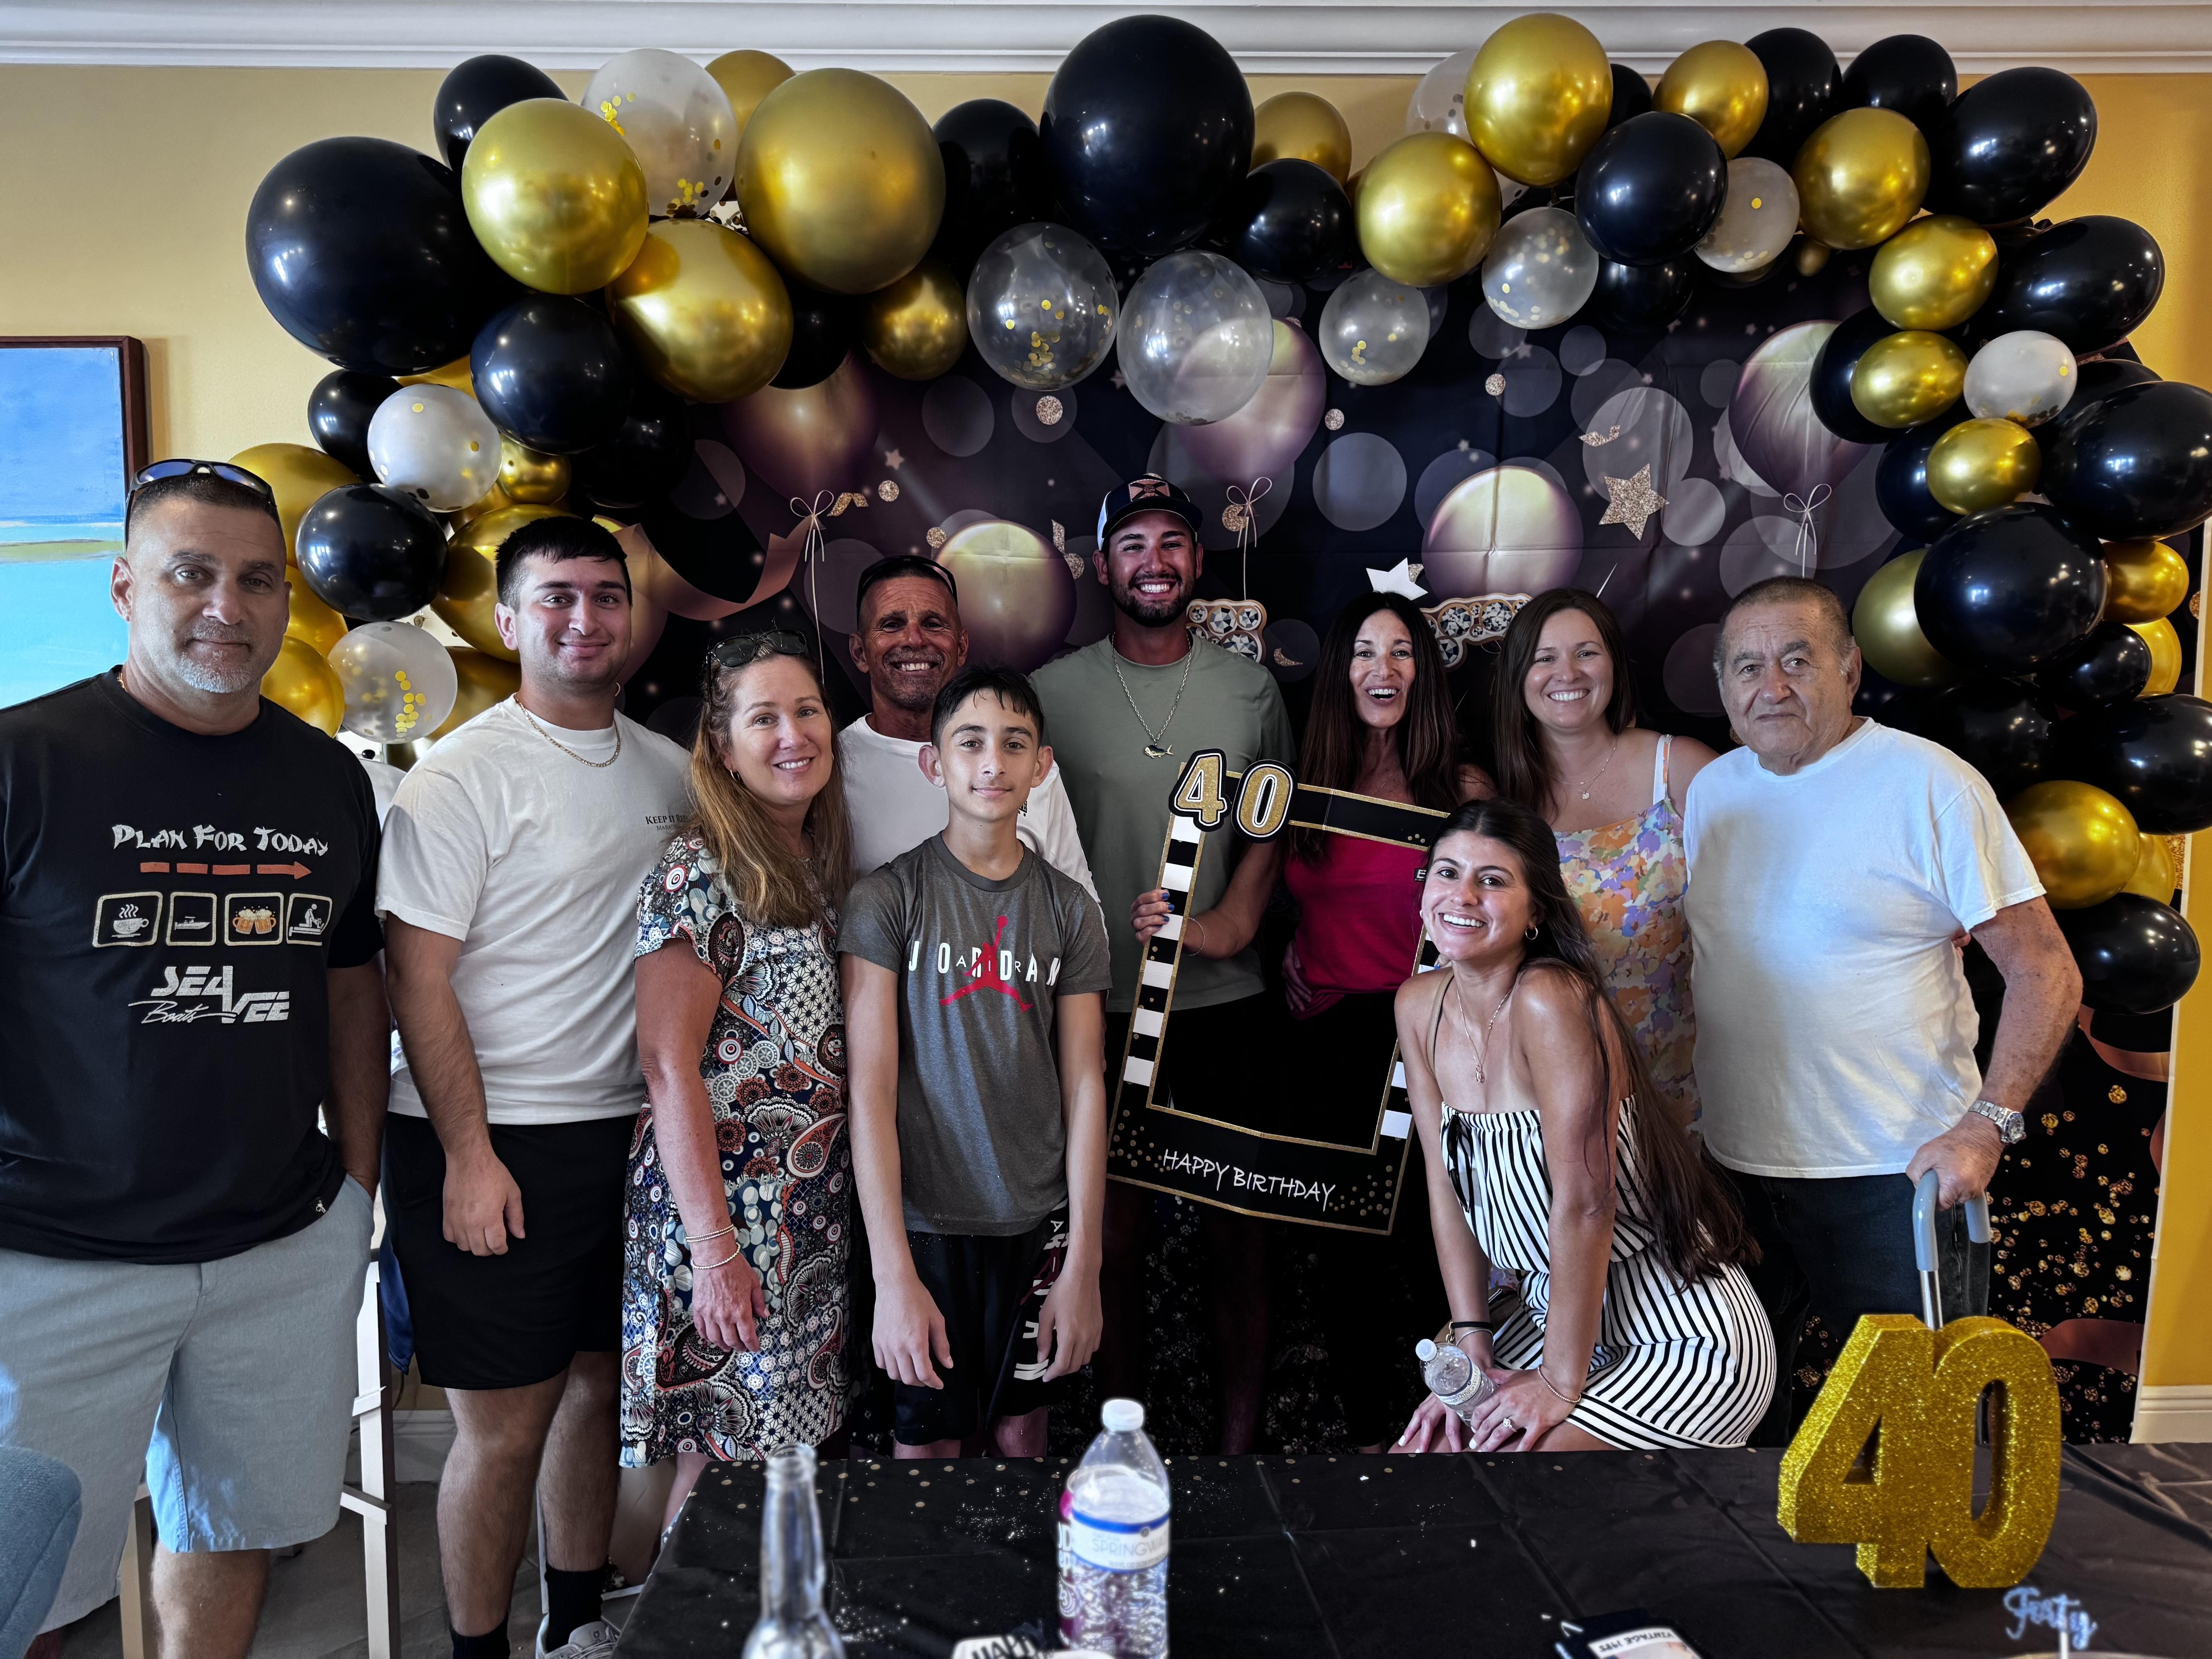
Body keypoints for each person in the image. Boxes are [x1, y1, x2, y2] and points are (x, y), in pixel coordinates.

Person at [0, 462, 385, 1659]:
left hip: (274, 1245)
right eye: (191, 573)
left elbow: (348, 985)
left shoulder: (326, 781)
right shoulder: (25, 762)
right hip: (53, 1256)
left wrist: (355, 1188)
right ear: (125, 587)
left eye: (257, 580)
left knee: (228, 1536)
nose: (228, 605)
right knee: (32, 1589)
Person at [379, 516, 690, 1659]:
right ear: (508, 622)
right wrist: (468, 1156)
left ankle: (571, 1625)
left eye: (605, 596)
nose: (584, 618)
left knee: (596, 1399)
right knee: (500, 1433)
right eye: (556, 597)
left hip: (627, 1143)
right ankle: (478, 1650)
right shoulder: (460, 777)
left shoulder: (668, 771)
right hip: (487, 1142)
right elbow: (415, 978)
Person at [1687, 576, 2080, 1442]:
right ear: (1722, 687)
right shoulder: (1713, 793)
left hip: (1892, 1175)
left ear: (1851, 668)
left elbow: (2049, 972)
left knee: (1923, 1446)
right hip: (1735, 1176)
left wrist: (1987, 1127)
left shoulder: (1930, 785)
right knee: (1734, 1434)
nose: (1773, 686)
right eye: (1748, 667)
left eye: (1798, 660)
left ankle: (1937, 1582)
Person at [1134, 592, 1487, 1451]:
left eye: (1402, 653)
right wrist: (1180, 925)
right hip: (1324, 1047)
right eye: (1365, 652)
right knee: (1343, 1265)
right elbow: (1243, 922)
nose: (1384, 670)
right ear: (1339, 673)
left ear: (1426, 674)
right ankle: (1376, 1442)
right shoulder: (1299, 794)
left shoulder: (1461, 792)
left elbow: (1496, 927)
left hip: (1433, 1045)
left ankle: (1472, 1438)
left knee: (1440, 1257)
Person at [1033, 474, 1296, 1454]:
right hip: (1095, 1008)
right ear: (1102, 566)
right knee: (1113, 1236)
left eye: (1173, 542)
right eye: (1133, 543)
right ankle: (1119, 1440)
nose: (1155, 561)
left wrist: (1228, 924)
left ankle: (1237, 1457)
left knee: (1242, 1236)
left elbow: (1272, 827)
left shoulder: (1249, 687)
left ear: (1199, 561)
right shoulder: (1052, 693)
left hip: (1224, 1005)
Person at [1395, 797, 1773, 1453]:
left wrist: (1557, 1381)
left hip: (1676, 1333)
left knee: (1508, 1462)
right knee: (1427, 1452)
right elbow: (1442, 1184)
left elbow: (1586, 1201)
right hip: (1553, 1316)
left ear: (1535, 911)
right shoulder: (1417, 1004)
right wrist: (1472, 1348)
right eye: (1446, 872)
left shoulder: (1551, 998)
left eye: (1492, 879)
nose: (1462, 894)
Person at [841, 666, 1112, 1458]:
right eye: (970, 743)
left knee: (1023, 1434)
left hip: (1039, 1227)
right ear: (936, 764)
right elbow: (871, 1089)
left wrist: (1085, 1264)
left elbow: (1087, 1087)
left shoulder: (1071, 910)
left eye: (1014, 744)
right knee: (927, 1449)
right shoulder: (887, 899)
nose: (992, 762)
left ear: (1042, 766)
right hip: (925, 1229)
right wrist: (893, 1275)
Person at [626, 632, 853, 1524]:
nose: (793, 735)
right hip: (729, 1224)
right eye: (764, 719)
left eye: (807, 711)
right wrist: (717, 1254)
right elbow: (665, 1064)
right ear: (722, 747)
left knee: (770, 1462)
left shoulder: (807, 859)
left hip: (802, 1223)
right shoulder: (701, 869)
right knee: (728, 1469)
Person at [1491, 590, 1717, 1127]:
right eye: (1544, 658)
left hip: (1679, 1088)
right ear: (1519, 677)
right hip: (1547, 1099)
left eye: (1586, 653)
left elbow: (1780, 871)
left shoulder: (1680, 767)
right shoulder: (1498, 801)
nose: (1566, 673)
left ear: (1614, 664)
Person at [838, 554, 1095, 894]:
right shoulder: (829, 768)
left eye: (933, 624)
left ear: (961, 647)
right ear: (859, 652)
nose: (914, 639)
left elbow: (1083, 914)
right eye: (891, 624)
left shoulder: (1023, 764)